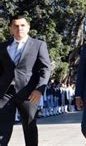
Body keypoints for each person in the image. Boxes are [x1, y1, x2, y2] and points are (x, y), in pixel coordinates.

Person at [0, 14, 52, 146]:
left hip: (28, 93)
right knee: (2, 129)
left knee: (29, 127)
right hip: (5, 93)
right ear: (10, 29)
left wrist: (39, 89)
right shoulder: (2, 47)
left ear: (28, 27)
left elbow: (45, 69)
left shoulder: (39, 45)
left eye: (22, 25)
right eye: (15, 26)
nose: (19, 28)